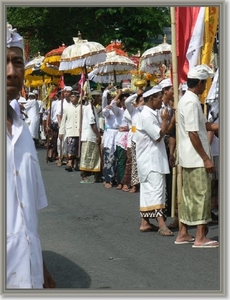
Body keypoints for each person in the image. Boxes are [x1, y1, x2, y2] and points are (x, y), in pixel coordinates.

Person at [6, 22, 55, 288]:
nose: (11, 73)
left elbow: (27, 220)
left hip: (29, 276)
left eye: (17, 62)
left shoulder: (22, 131)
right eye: (4, 62)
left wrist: (42, 267)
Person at [175, 64, 219, 247]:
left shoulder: (187, 100)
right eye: (205, 83)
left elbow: (202, 127)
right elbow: (193, 133)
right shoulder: (192, 102)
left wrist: (217, 126)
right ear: (200, 83)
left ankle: (183, 233)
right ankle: (200, 237)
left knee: (188, 195)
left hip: (189, 157)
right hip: (196, 158)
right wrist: (206, 158)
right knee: (202, 195)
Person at [135, 85, 173, 235]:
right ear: (151, 99)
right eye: (159, 98)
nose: (161, 101)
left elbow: (166, 130)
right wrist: (164, 120)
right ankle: (161, 224)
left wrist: (169, 118)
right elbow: (158, 135)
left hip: (152, 158)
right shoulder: (145, 115)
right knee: (156, 190)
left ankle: (145, 222)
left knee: (148, 191)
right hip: (151, 159)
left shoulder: (152, 113)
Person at [79, 93, 102, 183]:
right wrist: (98, 135)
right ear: (94, 98)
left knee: (95, 157)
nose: (99, 98)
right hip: (89, 136)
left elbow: (95, 123)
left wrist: (100, 131)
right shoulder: (88, 108)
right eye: (98, 96)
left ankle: (97, 176)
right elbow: (92, 123)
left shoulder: (94, 108)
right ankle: (84, 176)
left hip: (93, 135)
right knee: (86, 156)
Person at [59, 90, 81, 172]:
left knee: (78, 148)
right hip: (70, 131)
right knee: (70, 148)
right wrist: (61, 132)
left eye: (73, 97)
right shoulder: (67, 108)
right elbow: (63, 121)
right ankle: (69, 163)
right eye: (71, 97)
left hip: (79, 131)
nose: (71, 98)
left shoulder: (81, 108)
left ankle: (76, 164)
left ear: (78, 97)